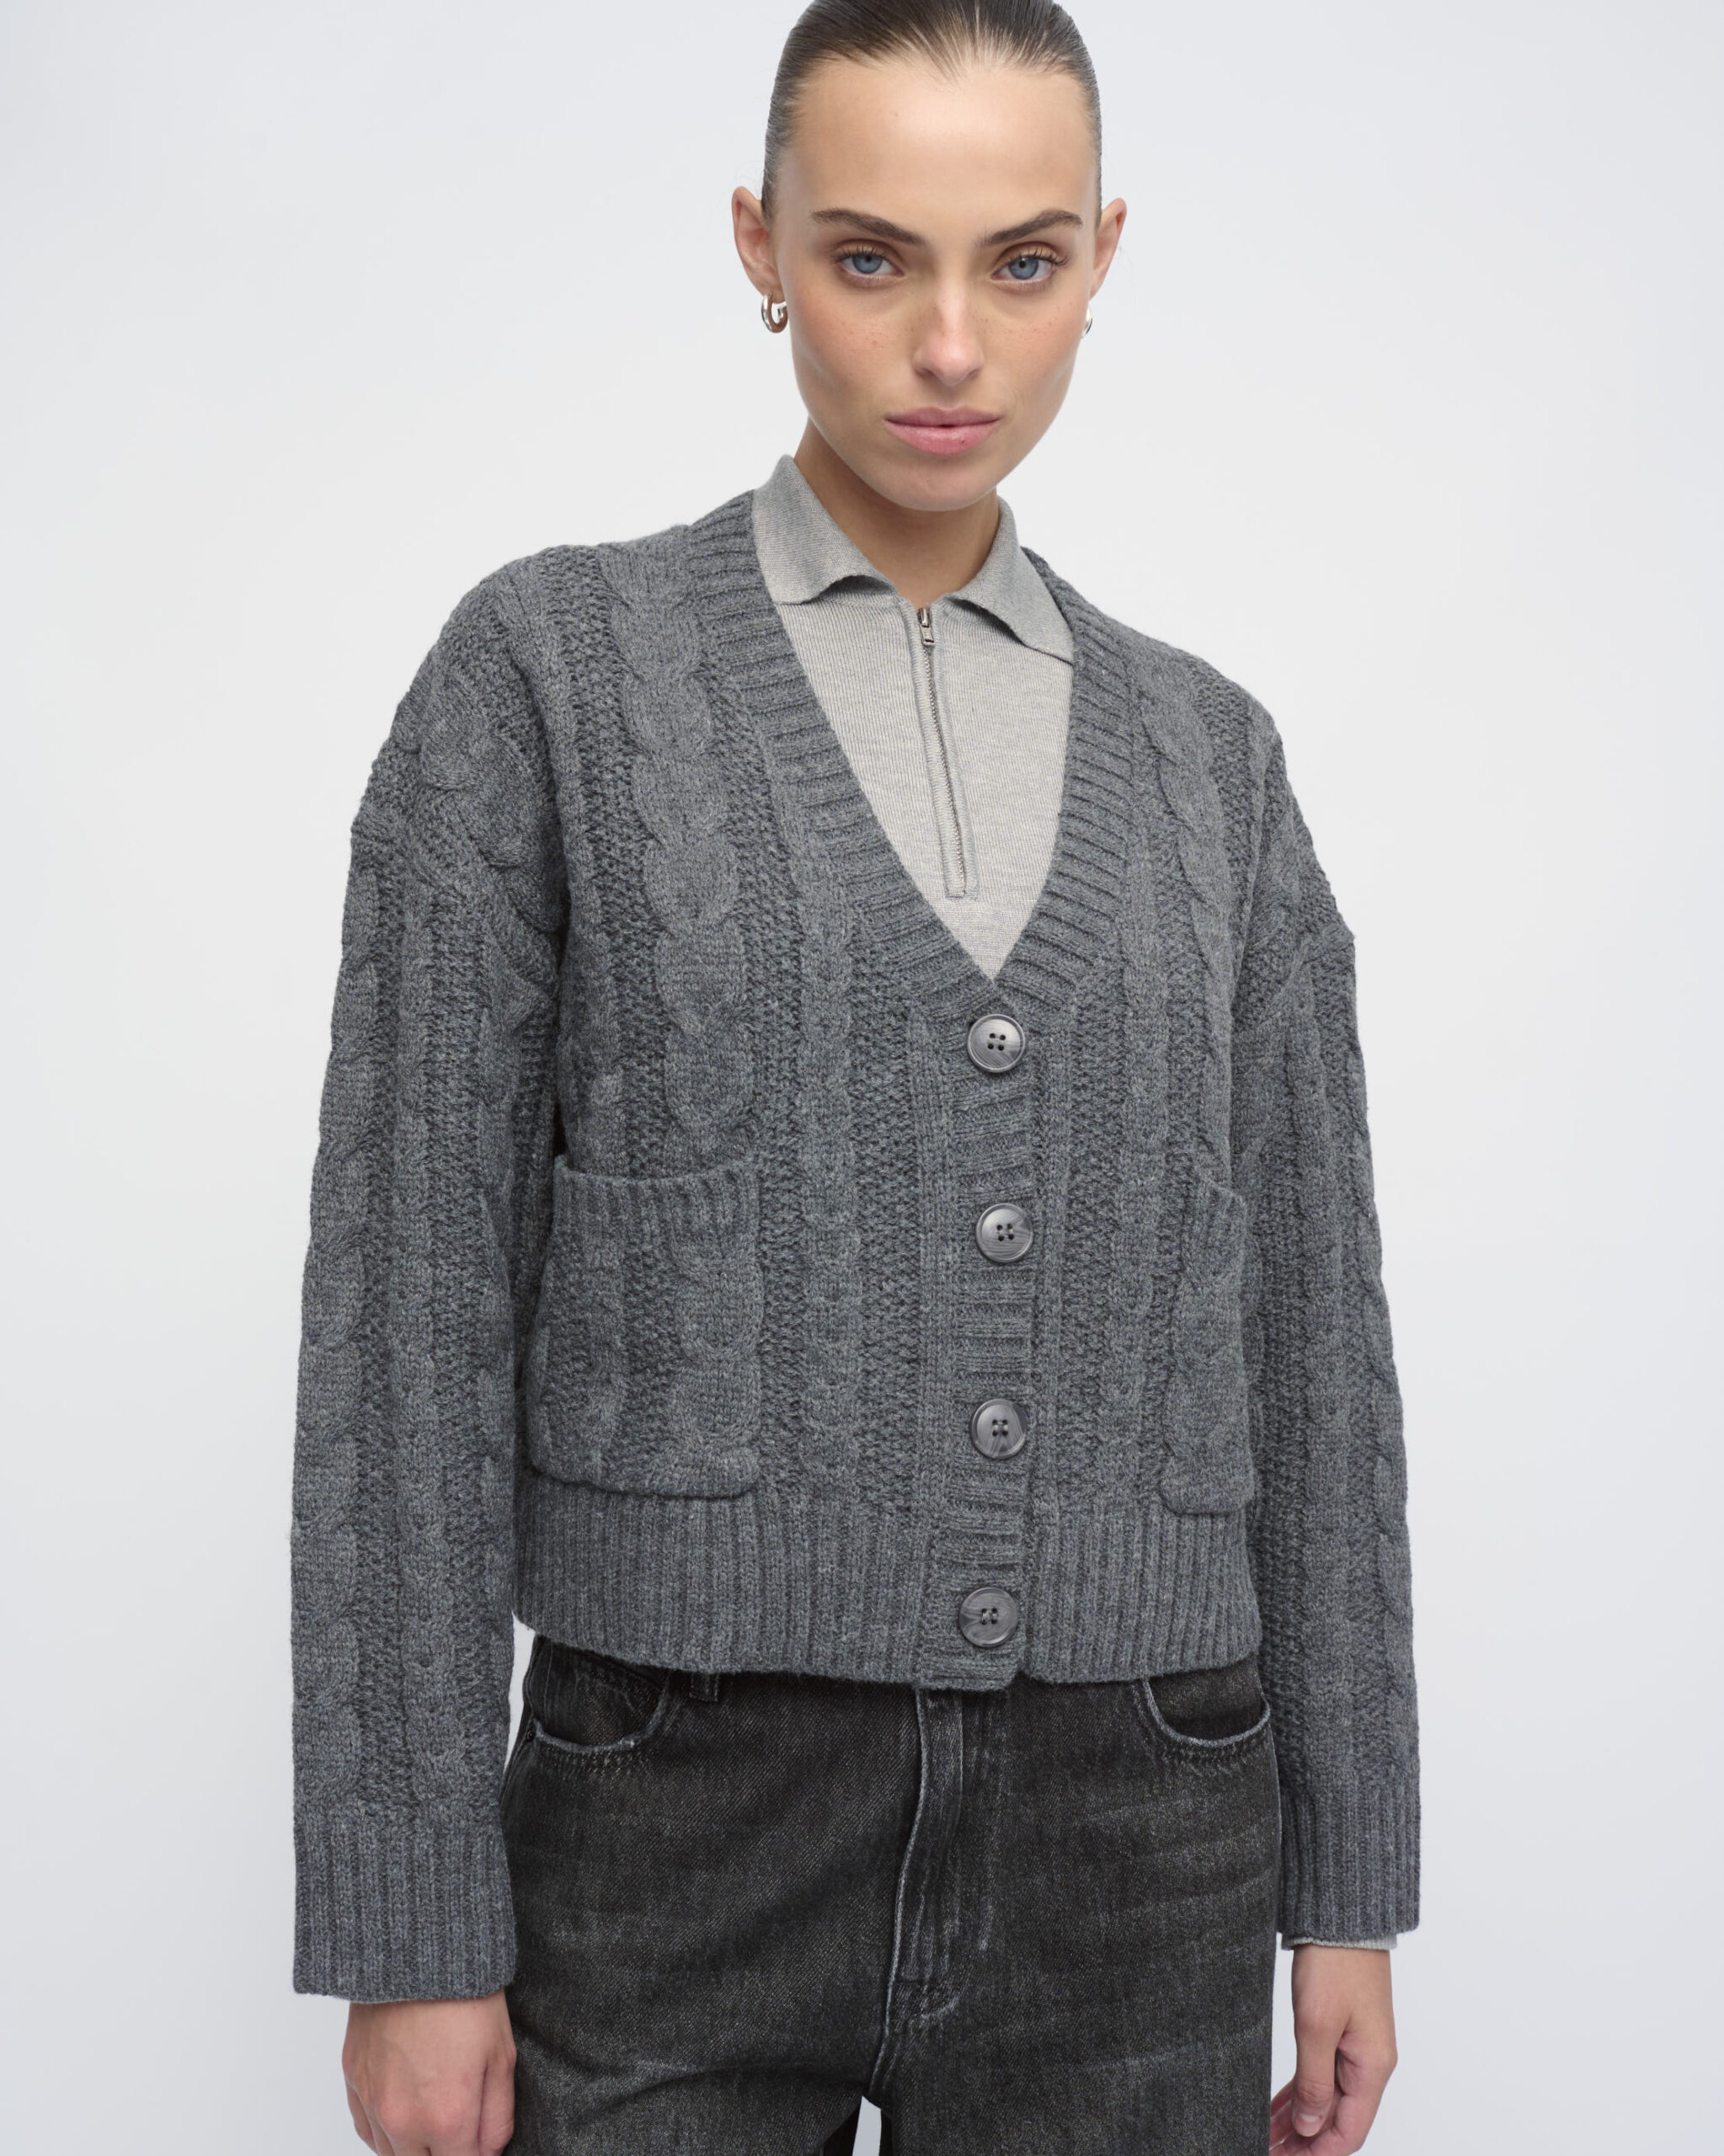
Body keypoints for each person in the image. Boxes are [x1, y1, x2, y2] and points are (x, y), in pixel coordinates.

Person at [290, 3, 1419, 2151]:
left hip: (1143, 1827)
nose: (949, 346)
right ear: (760, 243)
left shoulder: (1213, 758)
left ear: (1102, 257)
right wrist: (409, 1923)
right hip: (673, 1813)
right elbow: (404, 1327)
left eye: (1023, 260)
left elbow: (1311, 1345)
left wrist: (1347, 1879)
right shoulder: (548, 677)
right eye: (871, 255)